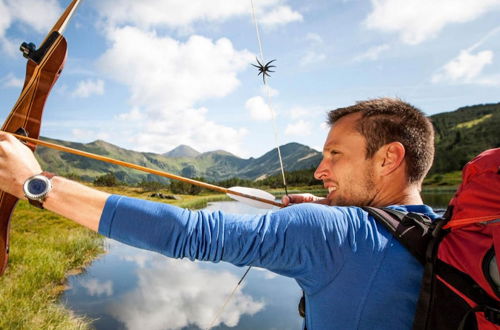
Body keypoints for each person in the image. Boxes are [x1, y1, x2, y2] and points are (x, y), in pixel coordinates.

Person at [0, 97, 438, 329]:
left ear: (388, 159)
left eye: (335, 154)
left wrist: (36, 184)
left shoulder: (331, 232)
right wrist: (329, 213)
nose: (321, 169)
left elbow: (191, 232)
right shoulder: (440, 227)